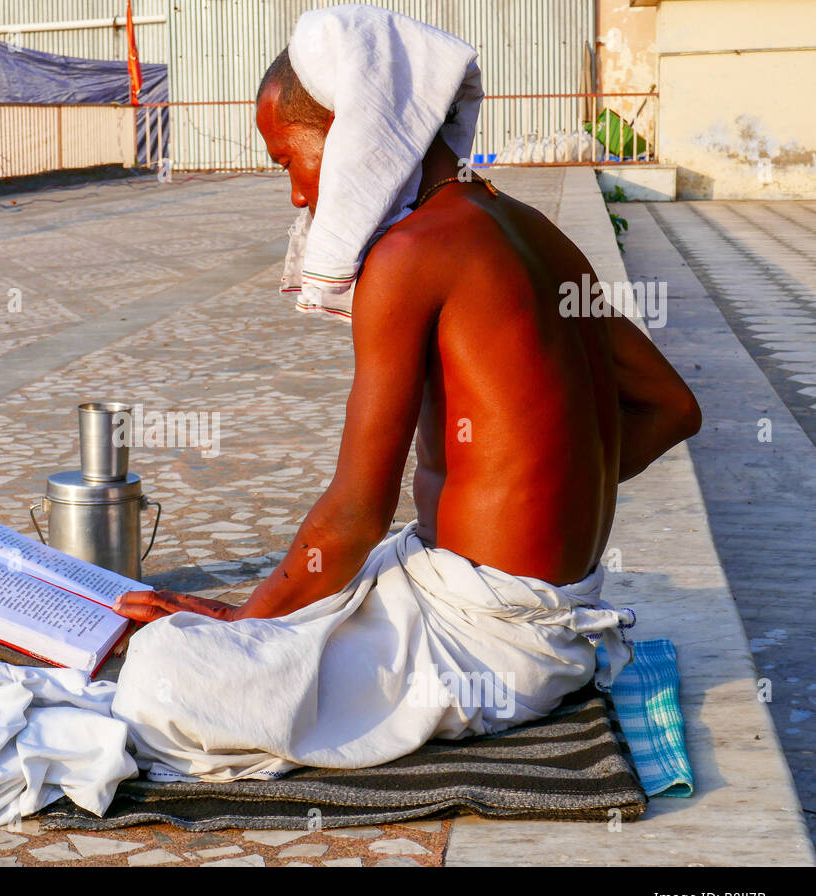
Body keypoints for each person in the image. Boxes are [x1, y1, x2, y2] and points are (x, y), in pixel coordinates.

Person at [109, 5, 701, 782]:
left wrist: (242, 632)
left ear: (354, 132)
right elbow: (672, 406)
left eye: (289, 159)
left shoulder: (410, 256)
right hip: (522, 610)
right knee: (274, 619)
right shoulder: (532, 229)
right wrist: (549, 480)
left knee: (161, 674)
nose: (295, 196)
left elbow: (355, 516)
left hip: (487, 642)